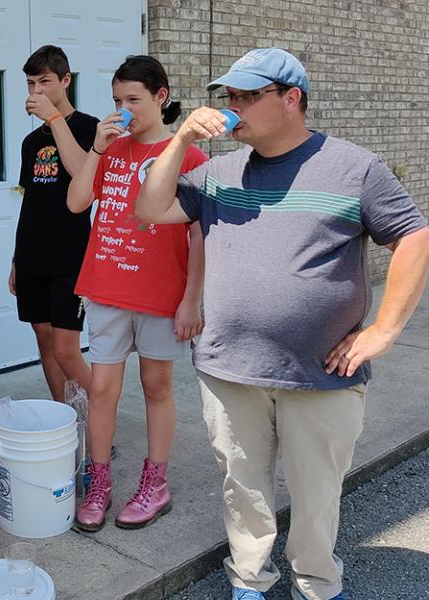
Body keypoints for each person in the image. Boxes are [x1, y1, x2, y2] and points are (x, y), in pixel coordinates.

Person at [135, 48, 429, 600]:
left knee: (317, 490)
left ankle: (316, 582)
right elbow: (149, 210)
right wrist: (180, 141)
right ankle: (250, 578)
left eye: (248, 95)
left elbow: (414, 235)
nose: (233, 106)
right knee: (242, 485)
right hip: (229, 367)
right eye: (230, 96)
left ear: (291, 99)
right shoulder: (219, 172)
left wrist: (384, 330)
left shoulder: (354, 167)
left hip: (321, 372)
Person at [67, 55, 207, 532]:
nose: (123, 109)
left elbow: (199, 233)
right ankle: (99, 482)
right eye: (116, 100)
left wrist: (192, 298)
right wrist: (97, 149)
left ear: (160, 97)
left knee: (156, 386)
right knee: (102, 388)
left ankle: (156, 483)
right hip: (107, 286)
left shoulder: (187, 154)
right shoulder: (113, 149)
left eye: (133, 99)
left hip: (161, 293)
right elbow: (76, 201)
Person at [10, 45, 98, 402]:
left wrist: (56, 120)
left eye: (44, 81)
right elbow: (29, 203)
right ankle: (63, 419)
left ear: (65, 80)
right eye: (31, 83)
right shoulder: (31, 141)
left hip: (70, 258)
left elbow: (84, 178)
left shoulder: (88, 127)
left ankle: (100, 419)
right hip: (33, 256)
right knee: (44, 339)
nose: (37, 92)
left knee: (66, 349)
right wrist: (17, 258)